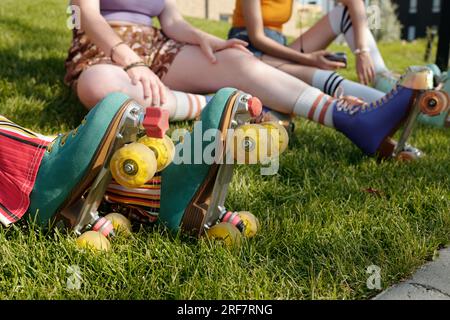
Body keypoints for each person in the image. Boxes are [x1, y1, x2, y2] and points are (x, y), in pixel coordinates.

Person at [64, 0, 428, 158]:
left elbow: (172, 23)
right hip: (103, 47)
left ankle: (349, 118)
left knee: (240, 62)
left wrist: (209, 40)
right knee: (98, 87)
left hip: (157, 45)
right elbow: (88, 16)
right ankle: (223, 105)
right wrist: (128, 59)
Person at [228, 0, 396, 103]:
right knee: (315, 74)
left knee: (342, 13)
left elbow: (354, 2)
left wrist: (363, 52)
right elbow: (257, 38)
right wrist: (307, 59)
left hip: (279, 48)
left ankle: (383, 80)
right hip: (250, 51)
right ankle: (393, 104)